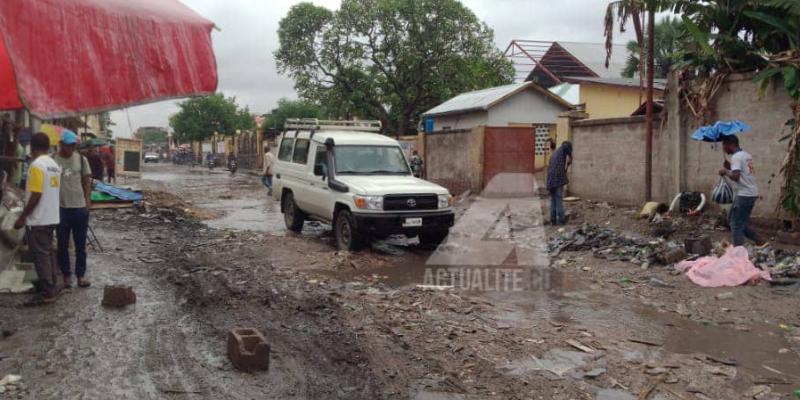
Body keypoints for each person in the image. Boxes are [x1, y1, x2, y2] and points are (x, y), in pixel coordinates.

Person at [14, 132, 62, 305]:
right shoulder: (54, 165)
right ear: (48, 146)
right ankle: (52, 284)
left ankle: (47, 292)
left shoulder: (36, 166)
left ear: (32, 147)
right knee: (48, 251)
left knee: (41, 255)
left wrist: (22, 217)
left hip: (38, 218)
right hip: (51, 216)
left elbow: (36, 194)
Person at [53, 130, 93, 288]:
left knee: (80, 245)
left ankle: (80, 276)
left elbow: (86, 182)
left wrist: (87, 204)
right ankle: (66, 276)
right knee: (62, 245)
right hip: (61, 208)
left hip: (79, 208)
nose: (70, 149)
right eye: (67, 145)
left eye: (73, 146)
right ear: (61, 144)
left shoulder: (81, 160)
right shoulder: (53, 160)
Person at [718, 135, 766, 247]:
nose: (724, 148)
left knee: (736, 224)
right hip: (749, 193)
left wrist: (725, 171)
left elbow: (736, 177)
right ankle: (759, 240)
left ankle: (738, 253)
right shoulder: (746, 155)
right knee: (732, 219)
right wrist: (730, 167)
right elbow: (743, 173)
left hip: (745, 195)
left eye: (724, 145)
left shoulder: (736, 157)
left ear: (730, 144)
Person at [546, 141, 573, 225]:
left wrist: (568, 162)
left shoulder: (555, 154)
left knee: (553, 201)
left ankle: (553, 221)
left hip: (550, 181)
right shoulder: (563, 149)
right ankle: (561, 220)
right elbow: (567, 148)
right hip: (557, 180)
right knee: (558, 200)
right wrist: (571, 158)